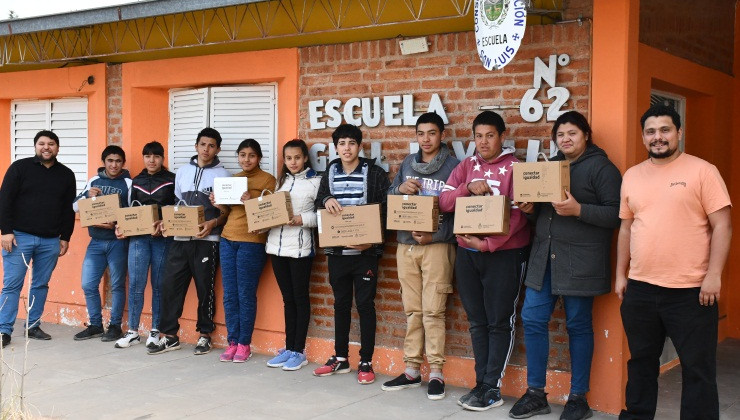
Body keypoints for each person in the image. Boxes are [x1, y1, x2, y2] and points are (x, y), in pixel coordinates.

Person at [616, 105, 731, 420]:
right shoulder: (632, 176)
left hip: (692, 291)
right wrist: (620, 275)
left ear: (678, 132)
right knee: (640, 362)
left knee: (698, 369)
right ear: (643, 136)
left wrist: (714, 276)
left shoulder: (702, 171)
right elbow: (627, 227)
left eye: (665, 130)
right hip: (640, 288)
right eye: (651, 131)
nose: (658, 137)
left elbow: (723, 225)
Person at [509, 111, 622, 420]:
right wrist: (530, 209)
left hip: (580, 262)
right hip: (544, 258)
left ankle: (577, 398)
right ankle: (536, 394)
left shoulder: (603, 169)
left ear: (586, 135)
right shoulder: (550, 169)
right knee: (532, 319)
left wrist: (579, 209)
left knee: (578, 326)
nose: (566, 139)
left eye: (572, 133)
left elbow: (616, 215)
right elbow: (542, 216)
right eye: (560, 135)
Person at [438, 111, 530, 411]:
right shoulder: (466, 166)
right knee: (477, 322)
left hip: (503, 255)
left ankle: (492, 387)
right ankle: (480, 384)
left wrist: (489, 243)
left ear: (501, 136)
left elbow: (518, 216)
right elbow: (445, 202)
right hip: (467, 254)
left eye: (490, 135)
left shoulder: (516, 168)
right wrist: (468, 186)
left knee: (499, 322)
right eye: (478, 136)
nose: (484, 141)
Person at [381, 112, 459, 400]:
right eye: (421, 133)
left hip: (437, 246)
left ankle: (436, 372)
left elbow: (461, 212)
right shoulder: (406, 163)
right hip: (406, 245)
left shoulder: (453, 166)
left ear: (441, 136)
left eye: (432, 133)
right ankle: (412, 370)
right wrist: (399, 188)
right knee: (412, 310)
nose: (426, 139)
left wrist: (435, 236)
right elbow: (391, 198)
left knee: (434, 311)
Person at [312, 123, 391, 385]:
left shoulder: (375, 173)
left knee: (366, 305)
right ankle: (341, 357)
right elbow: (319, 199)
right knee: (341, 304)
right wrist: (325, 200)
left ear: (359, 146)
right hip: (337, 252)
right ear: (336, 147)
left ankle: (366, 360)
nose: (347, 148)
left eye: (351, 143)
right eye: (342, 143)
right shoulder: (331, 171)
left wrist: (372, 242)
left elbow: (386, 209)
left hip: (365, 254)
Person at [148, 127, 230, 355]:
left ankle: (205, 335)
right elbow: (176, 203)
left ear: (218, 149)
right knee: (170, 286)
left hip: (208, 240)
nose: (206, 149)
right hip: (179, 239)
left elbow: (228, 212)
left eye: (211, 145)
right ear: (196, 146)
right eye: (203, 144)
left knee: (206, 289)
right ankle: (170, 336)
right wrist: (167, 222)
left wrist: (212, 224)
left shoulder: (224, 175)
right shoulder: (182, 172)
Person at [0, 130, 77, 347]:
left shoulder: (66, 174)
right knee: (12, 285)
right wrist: (5, 231)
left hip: (50, 240)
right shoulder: (20, 168)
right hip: (19, 238)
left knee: (40, 284)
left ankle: (32, 326)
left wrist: (65, 237)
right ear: (35, 146)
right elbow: (4, 200)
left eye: (51, 144)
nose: (46, 147)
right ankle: (3, 330)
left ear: (57, 148)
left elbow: (67, 209)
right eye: (42, 143)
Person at [212, 139, 276, 363]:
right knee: (229, 294)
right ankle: (232, 341)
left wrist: (253, 200)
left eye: (251, 155)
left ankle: (244, 344)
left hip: (252, 241)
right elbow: (228, 211)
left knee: (245, 294)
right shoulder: (233, 179)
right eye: (242, 155)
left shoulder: (268, 180)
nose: (246, 159)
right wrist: (218, 203)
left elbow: (270, 213)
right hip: (228, 238)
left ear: (259, 158)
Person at [265, 139, 321, 371]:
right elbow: (269, 212)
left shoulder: (316, 182)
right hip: (276, 248)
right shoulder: (281, 182)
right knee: (288, 300)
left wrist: (301, 219)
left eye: (297, 158)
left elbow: (324, 215)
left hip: (300, 248)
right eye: (288, 158)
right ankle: (288, 348)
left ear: (305, 158)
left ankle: (299, 351)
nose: (293, 162)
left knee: (300, 298)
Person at [113, 141, 176, 349]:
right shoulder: (135, 182)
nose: (152, 160)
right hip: (138, 239)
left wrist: (165, 222)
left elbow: (176, 209)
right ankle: (132, 331)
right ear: (143, 158)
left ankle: (155, 331)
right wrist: (121, 227)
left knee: (158, 286)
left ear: (162, 159)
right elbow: (127, 210)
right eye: (147, 156)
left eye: (156, 156)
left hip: (162, 240)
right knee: (136, 285)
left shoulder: (171, 180)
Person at [72, 145, 132, 342]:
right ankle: (96, 325)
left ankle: (115, 326)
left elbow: (134, 213)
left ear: (123, 163)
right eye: (110, 161)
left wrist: (118, 223)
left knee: (117, 285)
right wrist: (87, 195)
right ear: (104, 162)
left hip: (118, 243)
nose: (114, 165)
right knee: (88, 284)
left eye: (118, 161)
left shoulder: (129, 183)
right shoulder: (94, 181)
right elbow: (74, 206)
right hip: (96, 241)